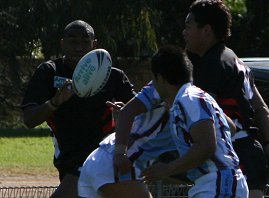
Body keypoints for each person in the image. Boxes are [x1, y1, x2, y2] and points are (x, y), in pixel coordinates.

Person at [182, 1, 269, 197]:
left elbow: (208, 118)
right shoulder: (237, 62)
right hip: (251, 154)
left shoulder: (211, 65)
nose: (184, 32)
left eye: (188, 26)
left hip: (233, 155)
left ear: (206, 30)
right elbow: (259, 110)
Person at [20, 20, 136, 198]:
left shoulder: (114, 76)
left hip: (104, 157)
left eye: (85, 41)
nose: (79, 47)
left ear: (94, 44)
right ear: (62, 44)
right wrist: (54, 102)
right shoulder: (49, 72)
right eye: (73, 41)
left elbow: (139, 113)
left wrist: (124, 112)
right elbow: (29, 119)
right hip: (68, 159)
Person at [141, 45, 248, 197]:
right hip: (218, 182)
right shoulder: (195, 96)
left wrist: (168, 169)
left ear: (160, 78)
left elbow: (206, 145)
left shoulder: (188, 99)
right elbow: (231, 127)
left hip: (218, 183)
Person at [78, 82, 176, 197]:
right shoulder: (172, 87)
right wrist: (120, 153)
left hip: (102, 159)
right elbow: (127, 111)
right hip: (117, 164)